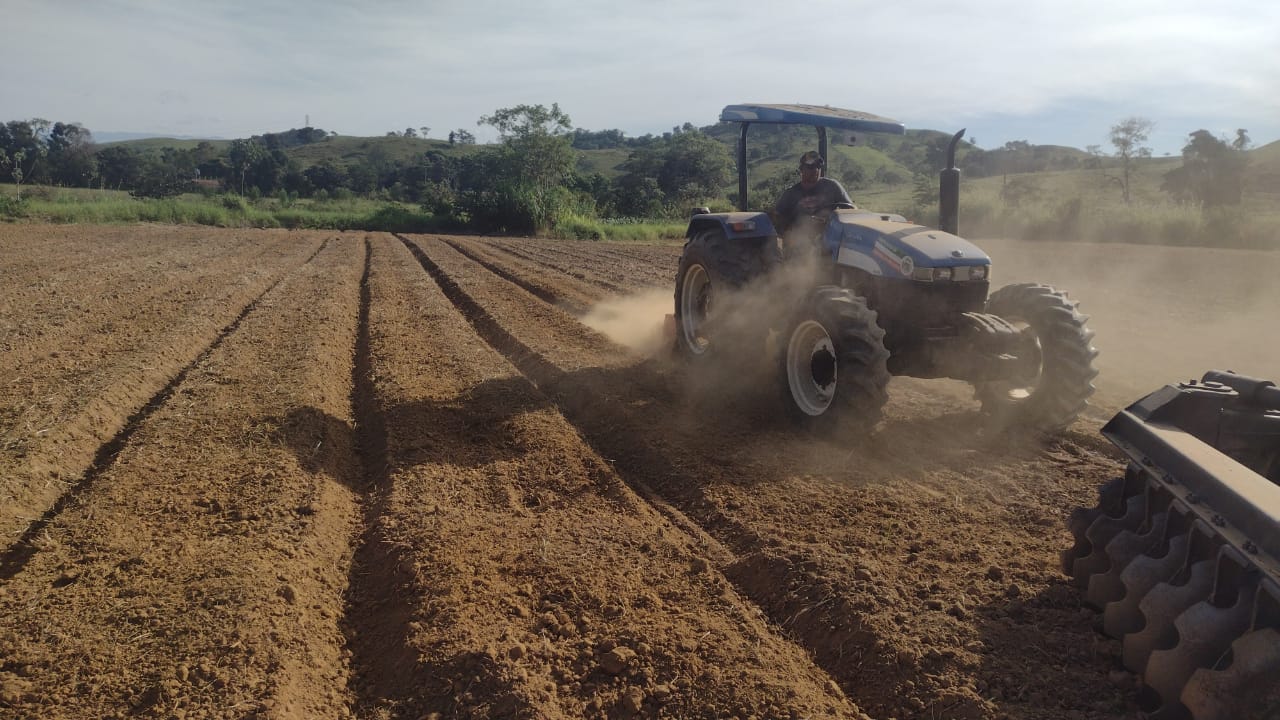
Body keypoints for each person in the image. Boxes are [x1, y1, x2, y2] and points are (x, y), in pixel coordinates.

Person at [773, 150, 852, 253]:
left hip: (831, 243)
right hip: (799, 246)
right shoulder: (790, 194)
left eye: (818, 166)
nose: (815, 170)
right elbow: (776, 222)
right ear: (801, 170)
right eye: (810, 167)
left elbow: (851, 210)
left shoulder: (833, 187)